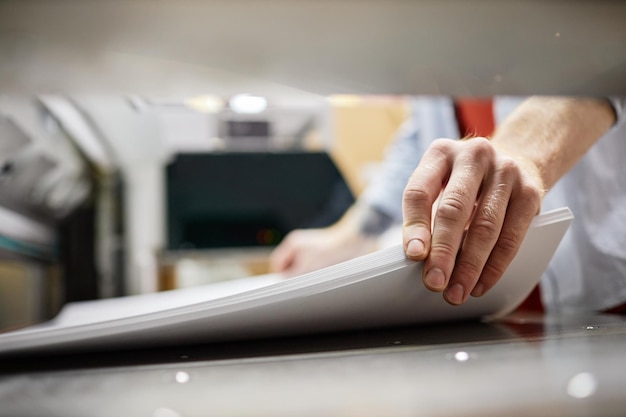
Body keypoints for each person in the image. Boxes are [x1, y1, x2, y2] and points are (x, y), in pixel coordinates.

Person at [271, 96, 626, 313]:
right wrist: (354, 233)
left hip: (605, 291)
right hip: (495, 303)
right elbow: (422, 129)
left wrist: (522, 154)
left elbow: (605, 62)